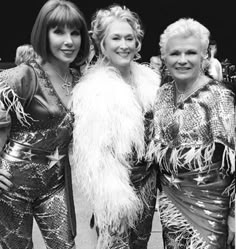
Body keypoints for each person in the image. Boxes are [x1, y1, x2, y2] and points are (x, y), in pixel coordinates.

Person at [0, 0, 90, 248]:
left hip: (55, 185)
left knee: (65, 245)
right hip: (11, 187)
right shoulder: (23, 75)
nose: (69, 41)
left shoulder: (83, 81)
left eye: (75, 33)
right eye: (58, 32)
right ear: (43, 34)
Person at [71, 4, 161, 249]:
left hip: (147, 185)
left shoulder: (150, 81)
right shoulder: (94, 89)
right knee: (114, 244)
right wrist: (114, 202)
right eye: (116, 38)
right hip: (116, 192)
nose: (124, 45)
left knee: (139, 244)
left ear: (137, 42)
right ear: (102, 44)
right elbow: (96, 156)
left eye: (129, 38)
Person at [147, 18, 235, 249]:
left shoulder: (218, 97)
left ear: (204, 56)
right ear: (164, 57)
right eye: (175, 53)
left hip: (212, 210)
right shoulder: (163, 94)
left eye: (191, 53)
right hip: (171, 204)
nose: (183, 60)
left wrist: (235, 216)